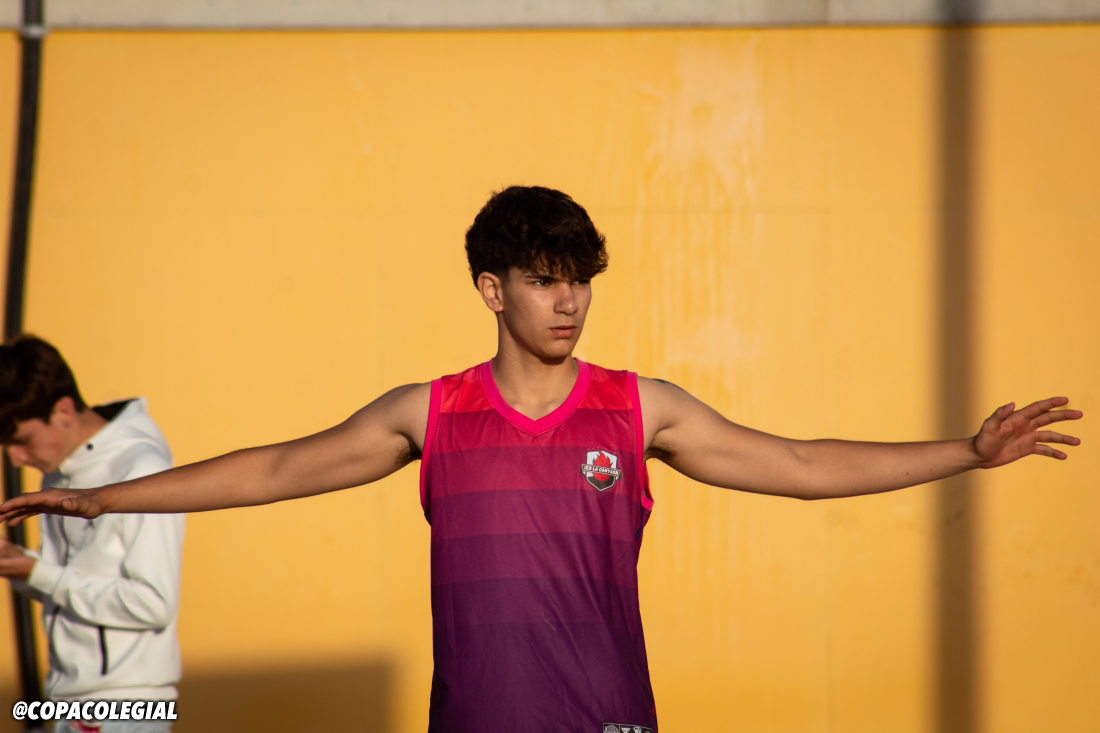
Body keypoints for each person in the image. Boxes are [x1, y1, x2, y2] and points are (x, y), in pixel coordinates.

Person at [0, 187, 1081, 733]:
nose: (568, 301)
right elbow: (277, 469)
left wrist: (965, 451)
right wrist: (99, 502)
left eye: (580, 280)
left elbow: (797, 461)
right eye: (545, 279)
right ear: (492, 289)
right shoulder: (429, 412)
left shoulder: (637, 408)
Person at [0, 336, 183, 733]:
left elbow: (154, 603)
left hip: (126, 706)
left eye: (21, 441)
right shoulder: (59, 470)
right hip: (70, 703)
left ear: (63, 411)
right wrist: (20, 567)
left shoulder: (140, 468)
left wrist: (40, 574)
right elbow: (73, 583)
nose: (14, 458)